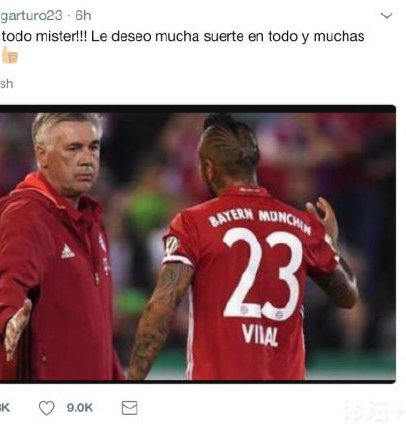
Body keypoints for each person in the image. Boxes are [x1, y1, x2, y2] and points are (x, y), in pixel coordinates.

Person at [127, 113, 358, 380]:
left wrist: (131, 381)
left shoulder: (193, 223)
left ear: (208, 170)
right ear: (253, 165)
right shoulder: (301, 225)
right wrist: (330, 244)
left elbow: (162, 307)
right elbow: (348, 296)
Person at [0, 113, 124, 380]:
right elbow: (9, 282)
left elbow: (98, 330)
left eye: (93, 147)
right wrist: (7, 318)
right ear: (42, 155)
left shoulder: (92, 222)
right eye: (73, 148)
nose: (87, 159)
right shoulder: (27, 215)